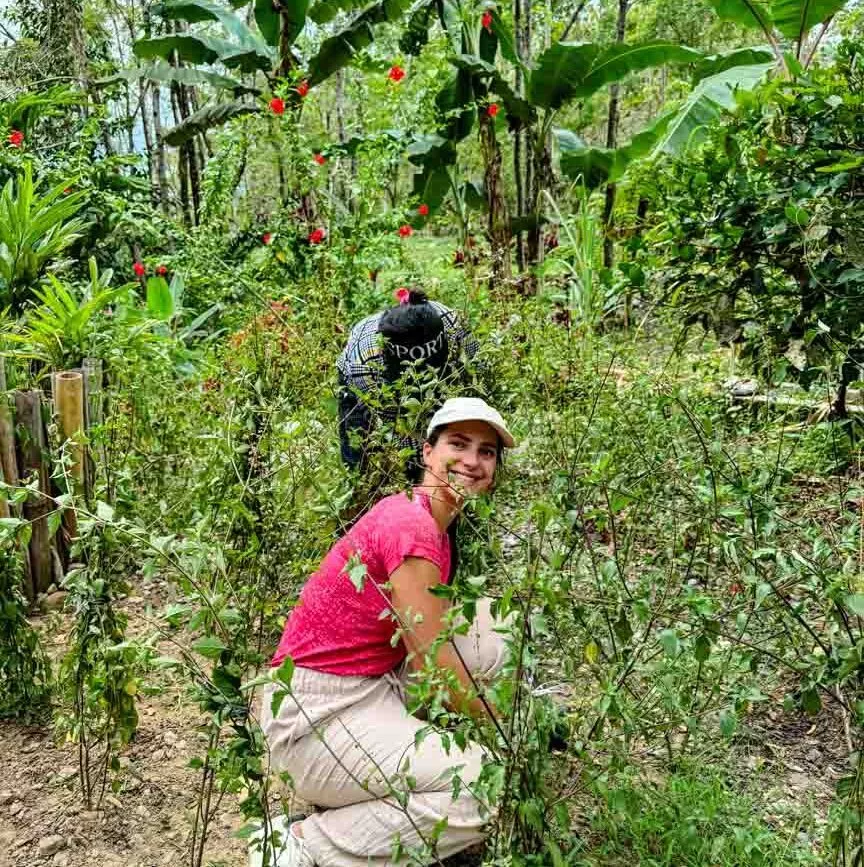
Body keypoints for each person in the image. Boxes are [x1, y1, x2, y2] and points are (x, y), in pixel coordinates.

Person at [255, 397, 515, 867]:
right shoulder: (412, 528)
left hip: (370, 684)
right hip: (315, 716)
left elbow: (428, 644)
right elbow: (436, 669)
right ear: (427, 453)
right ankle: (302, 847)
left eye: (487, 451)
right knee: (484, 783)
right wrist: (507, 724)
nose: (473, 461)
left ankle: (384, 782)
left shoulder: (425, 519)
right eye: (458, 444)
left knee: (497, 624)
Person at [336, 290, 479, 473]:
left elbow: (475, 366)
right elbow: (395, 423)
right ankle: (359, 488)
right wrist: (419, 463)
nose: (421, 380)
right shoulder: (363, 363)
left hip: (434, 374)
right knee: (358, 445)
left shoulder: (450, 322)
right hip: (360, 381)